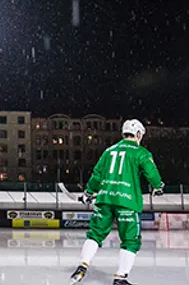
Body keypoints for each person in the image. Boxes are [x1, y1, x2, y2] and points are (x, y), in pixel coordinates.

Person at [70, 119, 164, 285]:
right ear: (138, 134)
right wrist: (158, 187)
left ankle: (82, 265)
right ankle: (120, 277)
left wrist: (89, 192)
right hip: (127, 202)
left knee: (95, 234)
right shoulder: (141, 152)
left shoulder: (108, 151)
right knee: (130, 240)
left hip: (105, 199)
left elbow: (97, 174)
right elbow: (151, 172)